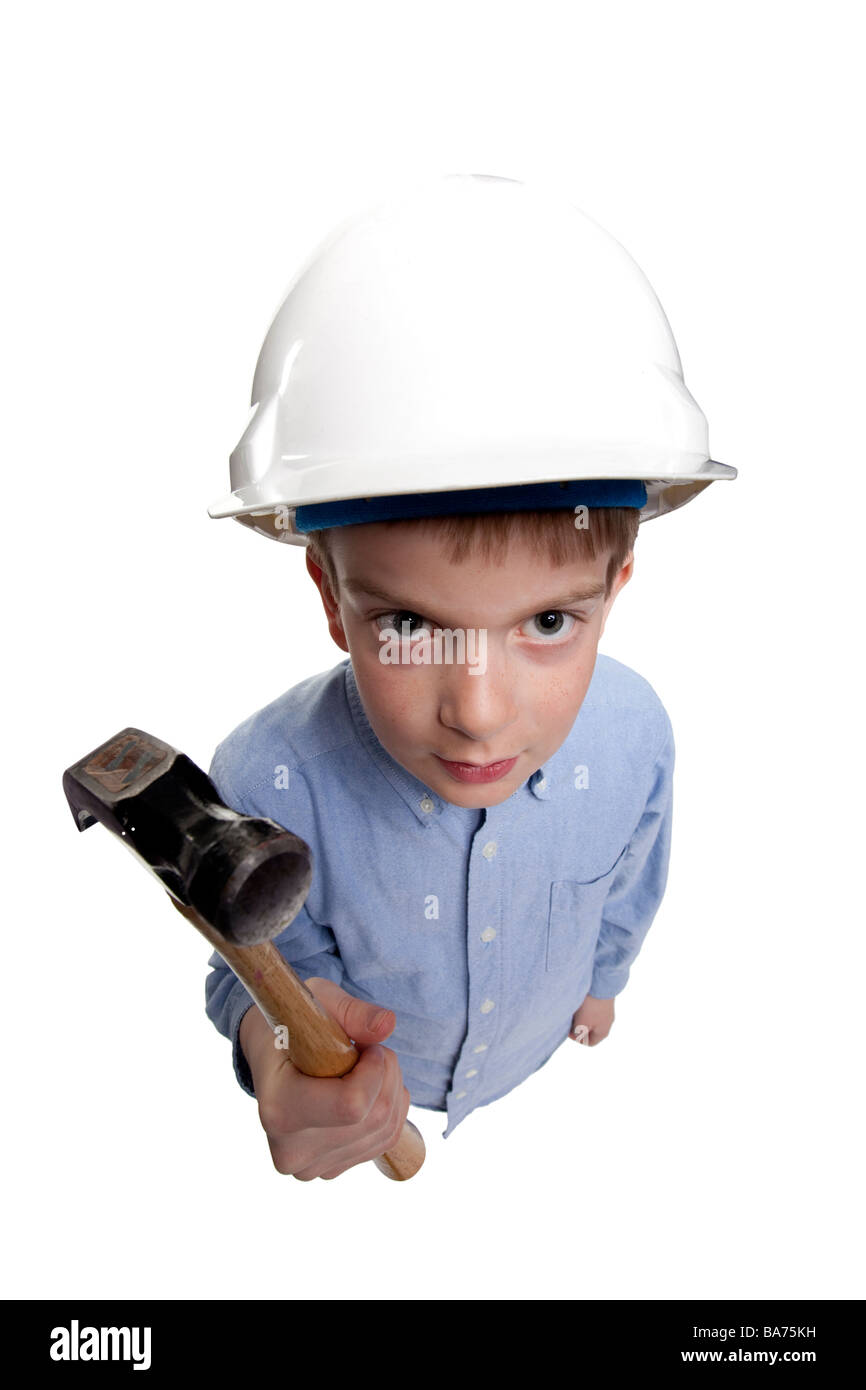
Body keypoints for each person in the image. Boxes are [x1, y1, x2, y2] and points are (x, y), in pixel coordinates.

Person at [204, 174, 736, 1180]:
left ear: (615, 582)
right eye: (408, 623)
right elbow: (260, 970)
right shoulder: (268, 779)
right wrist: (275, 1048)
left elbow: (628, 876)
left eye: (546, 621)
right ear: (328, 592)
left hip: (555, 1084)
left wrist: (602, 977)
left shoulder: (633, 734)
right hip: (393, 1095)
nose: (479, 715)